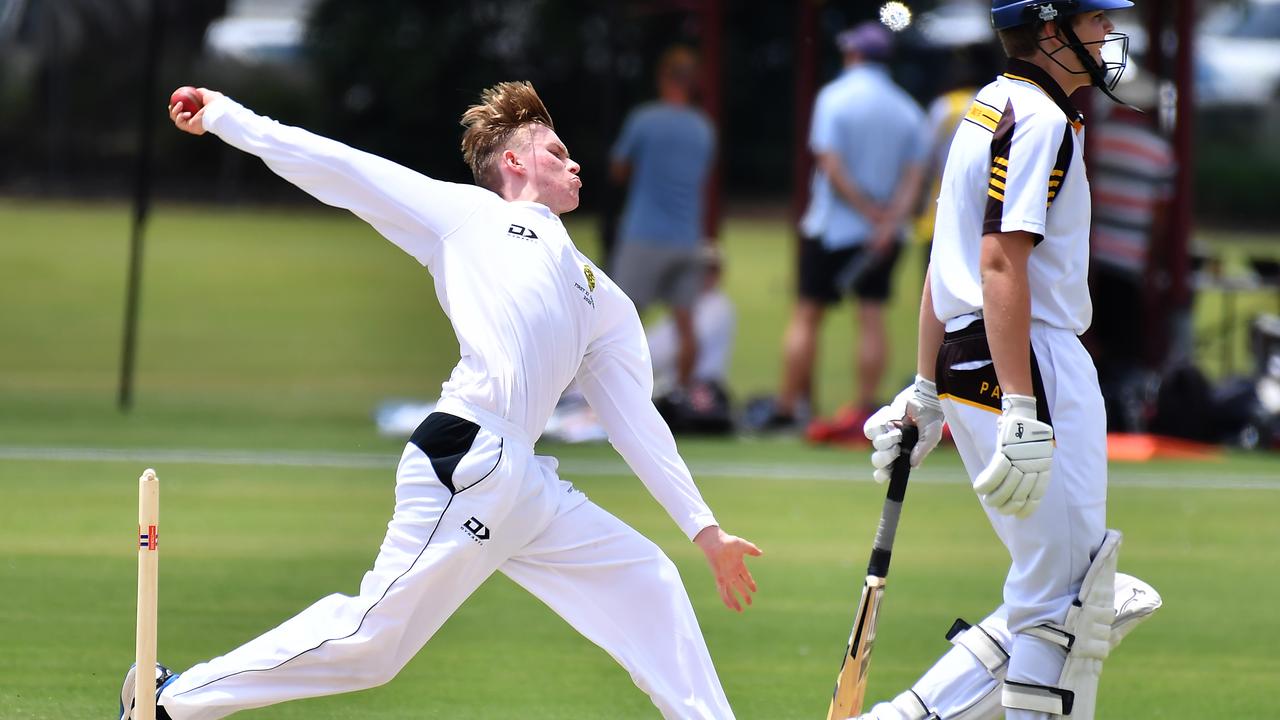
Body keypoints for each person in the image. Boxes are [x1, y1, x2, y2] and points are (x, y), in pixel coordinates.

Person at [121, 81, 762, 720]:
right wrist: (228, 117)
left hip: (528, 485)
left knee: (648, 582)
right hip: (468, 454)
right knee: (372, 647)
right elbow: (336, 166)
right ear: (514, 162)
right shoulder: (465, 216)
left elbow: (635, 422)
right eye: (558, 150)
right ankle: (170, 704)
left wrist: (705, 531)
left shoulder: (601, 293)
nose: (576, 164)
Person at [856, 2, 1161, 719]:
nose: (1107, 38)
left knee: (1056, 588)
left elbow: (945, 261)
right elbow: (997, 263)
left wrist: (929, 387)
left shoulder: (986, 106)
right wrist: (1021, 404)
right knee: (1068, 600)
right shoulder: (1041, 119)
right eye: (1094, 23)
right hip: (1029, 356)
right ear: (1052, 32)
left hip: (975, 359)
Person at [762, 21, 927, 441]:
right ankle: (864, 408)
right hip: (884, 236)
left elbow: (830, 165)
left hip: (832, 228)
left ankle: (787, 408)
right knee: (871, 316)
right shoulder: (907, 108)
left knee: (807, 314)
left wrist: (865, 210)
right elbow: (913, 176)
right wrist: (888, 221)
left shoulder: (833, 98)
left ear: (853, 55)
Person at [609, 45, 717, 396]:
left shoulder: (644, 118)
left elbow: (619, 170)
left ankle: (605, 398)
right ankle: (682, 397)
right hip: (687, 238)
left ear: (663, 78)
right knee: (686, 325)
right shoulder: (704, 128)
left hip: (644, 235)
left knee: (617, 321)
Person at [1086, 72, 1176, 432]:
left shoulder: (1097, 139)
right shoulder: (1159, 151)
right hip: (1129, 258)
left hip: (1088, 259)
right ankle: (1122, 420)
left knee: (1090, 341)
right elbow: (1160, 218)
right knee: (1124, 349)